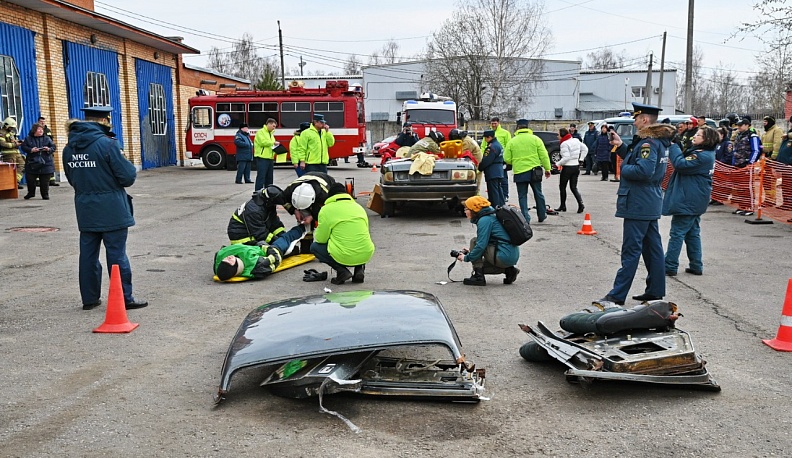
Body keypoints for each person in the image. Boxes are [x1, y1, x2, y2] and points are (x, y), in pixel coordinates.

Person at [62, 106, 147, 311]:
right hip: (112, 209)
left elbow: (72, 178)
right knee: (117, 254)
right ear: (104, 121)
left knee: (88, 254)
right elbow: (127, 177)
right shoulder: (107, 145)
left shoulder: (68, 148)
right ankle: (124, 297)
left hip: (85, 208)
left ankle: (89, 299)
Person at [598, 102, 672, 306]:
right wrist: (621, 146)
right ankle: (655, 291)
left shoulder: (648, 143)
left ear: (645, 120)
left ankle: (617, 295)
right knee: (652, 249)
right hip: (649, 201)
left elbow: (643, 171)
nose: (635, 121)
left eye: (637, 118)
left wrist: (625, 169)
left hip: (638, 202)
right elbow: (641, 162)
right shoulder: (655, 142)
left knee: (631, 250)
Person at [663, 126, 717, 277]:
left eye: (699, 135)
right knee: (692, 233)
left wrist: (673, 146)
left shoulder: (702, 156)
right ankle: (696, 264)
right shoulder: (704, 153)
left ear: (707, 140)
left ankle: (670, 265)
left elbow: (680, 164)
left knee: (677, 233)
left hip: (689, 200)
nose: (695, 136)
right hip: (695, 200)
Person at [311, 182, 375, 284]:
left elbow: (321, 239)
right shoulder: (359, 208)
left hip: (343, 255)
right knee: (357, 240)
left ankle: (342, 271)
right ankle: (359, 269)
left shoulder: (326, 210)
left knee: (315, 247)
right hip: (365, 253)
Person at [454, 196, 520, 286]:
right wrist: (471, 252)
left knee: (474, 241)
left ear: (474, 210)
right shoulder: (492, 214)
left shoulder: (484, 220)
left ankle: (479, 277)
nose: (464, 211)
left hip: (503, 255)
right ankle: (509, 270)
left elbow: (481, 245)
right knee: (481, 267)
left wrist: (465, 258)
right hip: (510, 254)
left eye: (466, 209)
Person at [503, 118, 551, 223]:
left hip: (520, 172)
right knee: (538, 193)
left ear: (517, 127)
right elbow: (544, 155)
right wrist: (547, 169)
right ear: (528, 127)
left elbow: (506, 158)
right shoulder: (536, 139)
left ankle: (525, 217)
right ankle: (542, 214)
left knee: (522, 195)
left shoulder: (512, 141)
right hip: (535, 171)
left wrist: (514, 162)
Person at [731, 117, 762, 215]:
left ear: (747, 125)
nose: (738, 127)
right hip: (737, 164)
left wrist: (750, 163)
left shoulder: (752, 136)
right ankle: (742, 206)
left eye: (741, 125)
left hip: (746, 165)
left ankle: (749, 207)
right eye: (738, 125)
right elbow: (735, 150)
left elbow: (756, 150)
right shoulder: (738, 135)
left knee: (747, 187)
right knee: (739, 187)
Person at [20, 124, 56, 200]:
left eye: (42, 130)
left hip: (46, 162)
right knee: (30, 180)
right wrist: (31, 150)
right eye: (39, 129)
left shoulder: (47, 138)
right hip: (32, 162)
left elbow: (53, 147)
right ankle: (31, 193)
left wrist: (48, 149)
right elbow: (23, 147)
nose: (41, 131)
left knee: (45, 181)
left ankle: (45, 194)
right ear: (34, 130)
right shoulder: (28, 138)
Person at [554, 127, 586, 213]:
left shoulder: (564, 144)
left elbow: (566, 157)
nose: (557, 136)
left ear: (562, 135)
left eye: (558, 134)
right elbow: (585, 149)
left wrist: (557, 164)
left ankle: (563, 206)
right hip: (576, 166)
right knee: (573, 187)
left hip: (568, 167)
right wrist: (581, 159)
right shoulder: (575, 140)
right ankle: (581, 204)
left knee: (562, 187)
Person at [482, 117, 512, 202]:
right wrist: (483, 157)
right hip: (491, 158)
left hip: (501, 159)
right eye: (492, 123)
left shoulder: (505, 133)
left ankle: (505, 195)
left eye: (495, 123)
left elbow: (508, 146)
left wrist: (506, 158)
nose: (494, 125)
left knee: (503, 178)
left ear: (499, 123)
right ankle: (496, 198)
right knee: (495, 182)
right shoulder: (488, 133)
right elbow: (484, 146)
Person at [478, 130, 504, 207]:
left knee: (493, 192)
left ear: (489, 137)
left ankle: (496, 208)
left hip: (492, 172)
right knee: (499, 191)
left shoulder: (491, 147)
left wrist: (480, 168)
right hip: (498, 171)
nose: (485, 140)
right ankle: (502, 206)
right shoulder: (498, 145)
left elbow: (486, 160)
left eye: (485, 138)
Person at [253, 118, 278, 191]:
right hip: (262, 157)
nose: (274, 128)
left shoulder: (271, 134)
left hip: (270, 158)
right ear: (269, 124)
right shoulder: (261, 132)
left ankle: (269, 192)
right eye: (273, 126)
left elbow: (270, 145)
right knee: (261, 176)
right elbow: (262, 142)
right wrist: (273, 143)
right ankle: (258, 193)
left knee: (269, 178)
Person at [0, 116, 24, 188]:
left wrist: (19, 142)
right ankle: (11, 184)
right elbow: (3, 144)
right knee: (10, 169)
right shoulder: (1, 133)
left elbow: (14, 141)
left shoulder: (12, 133)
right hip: (8, 154)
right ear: (6, 125)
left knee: (22, 165)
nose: (12, 128)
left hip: (16, 152)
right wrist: (14, 144)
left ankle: (16, 182)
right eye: (10, 127)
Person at [37, 116, 59, 187]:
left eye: (43, 121)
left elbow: (51, 140)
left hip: (48, 151)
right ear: (38, 122)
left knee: (50, 165)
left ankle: (52, 180)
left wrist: (50, 149)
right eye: (41, 122)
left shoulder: (48, 130)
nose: (42, 123)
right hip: (39, 151)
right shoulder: (35, 130)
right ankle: (38, 182)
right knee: (39, 165)